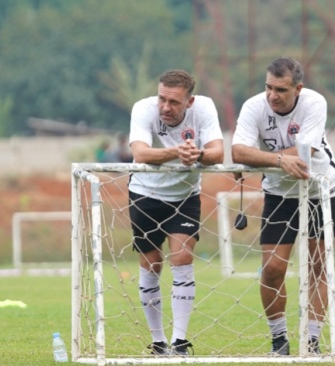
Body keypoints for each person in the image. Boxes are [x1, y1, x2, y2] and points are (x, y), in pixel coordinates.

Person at [231, 57, 335, 356]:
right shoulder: (253, 106)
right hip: (279, 192)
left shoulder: (314, 103)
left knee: (317, 268)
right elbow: (239, 150)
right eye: (268, 87)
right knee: (272, 269)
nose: (272, 95)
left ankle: (312, 341)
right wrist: (279, 160)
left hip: (320, 188)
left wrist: (260, 158)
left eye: (281, 89)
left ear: (298, 88)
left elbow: (305, 151)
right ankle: (279, 341)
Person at [128, 69, 224, 356]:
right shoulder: (143, 109)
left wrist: (199, 155)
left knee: (182, 256)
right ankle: (158, 342)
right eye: (162, 99)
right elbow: (141, 154)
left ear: (189, 102)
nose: (166, 107)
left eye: (174, 102)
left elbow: (218, 153)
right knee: (153, 263)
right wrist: (178, 152)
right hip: (145, 193)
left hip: (185, 196)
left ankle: (180, 342)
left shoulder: (205, 107)